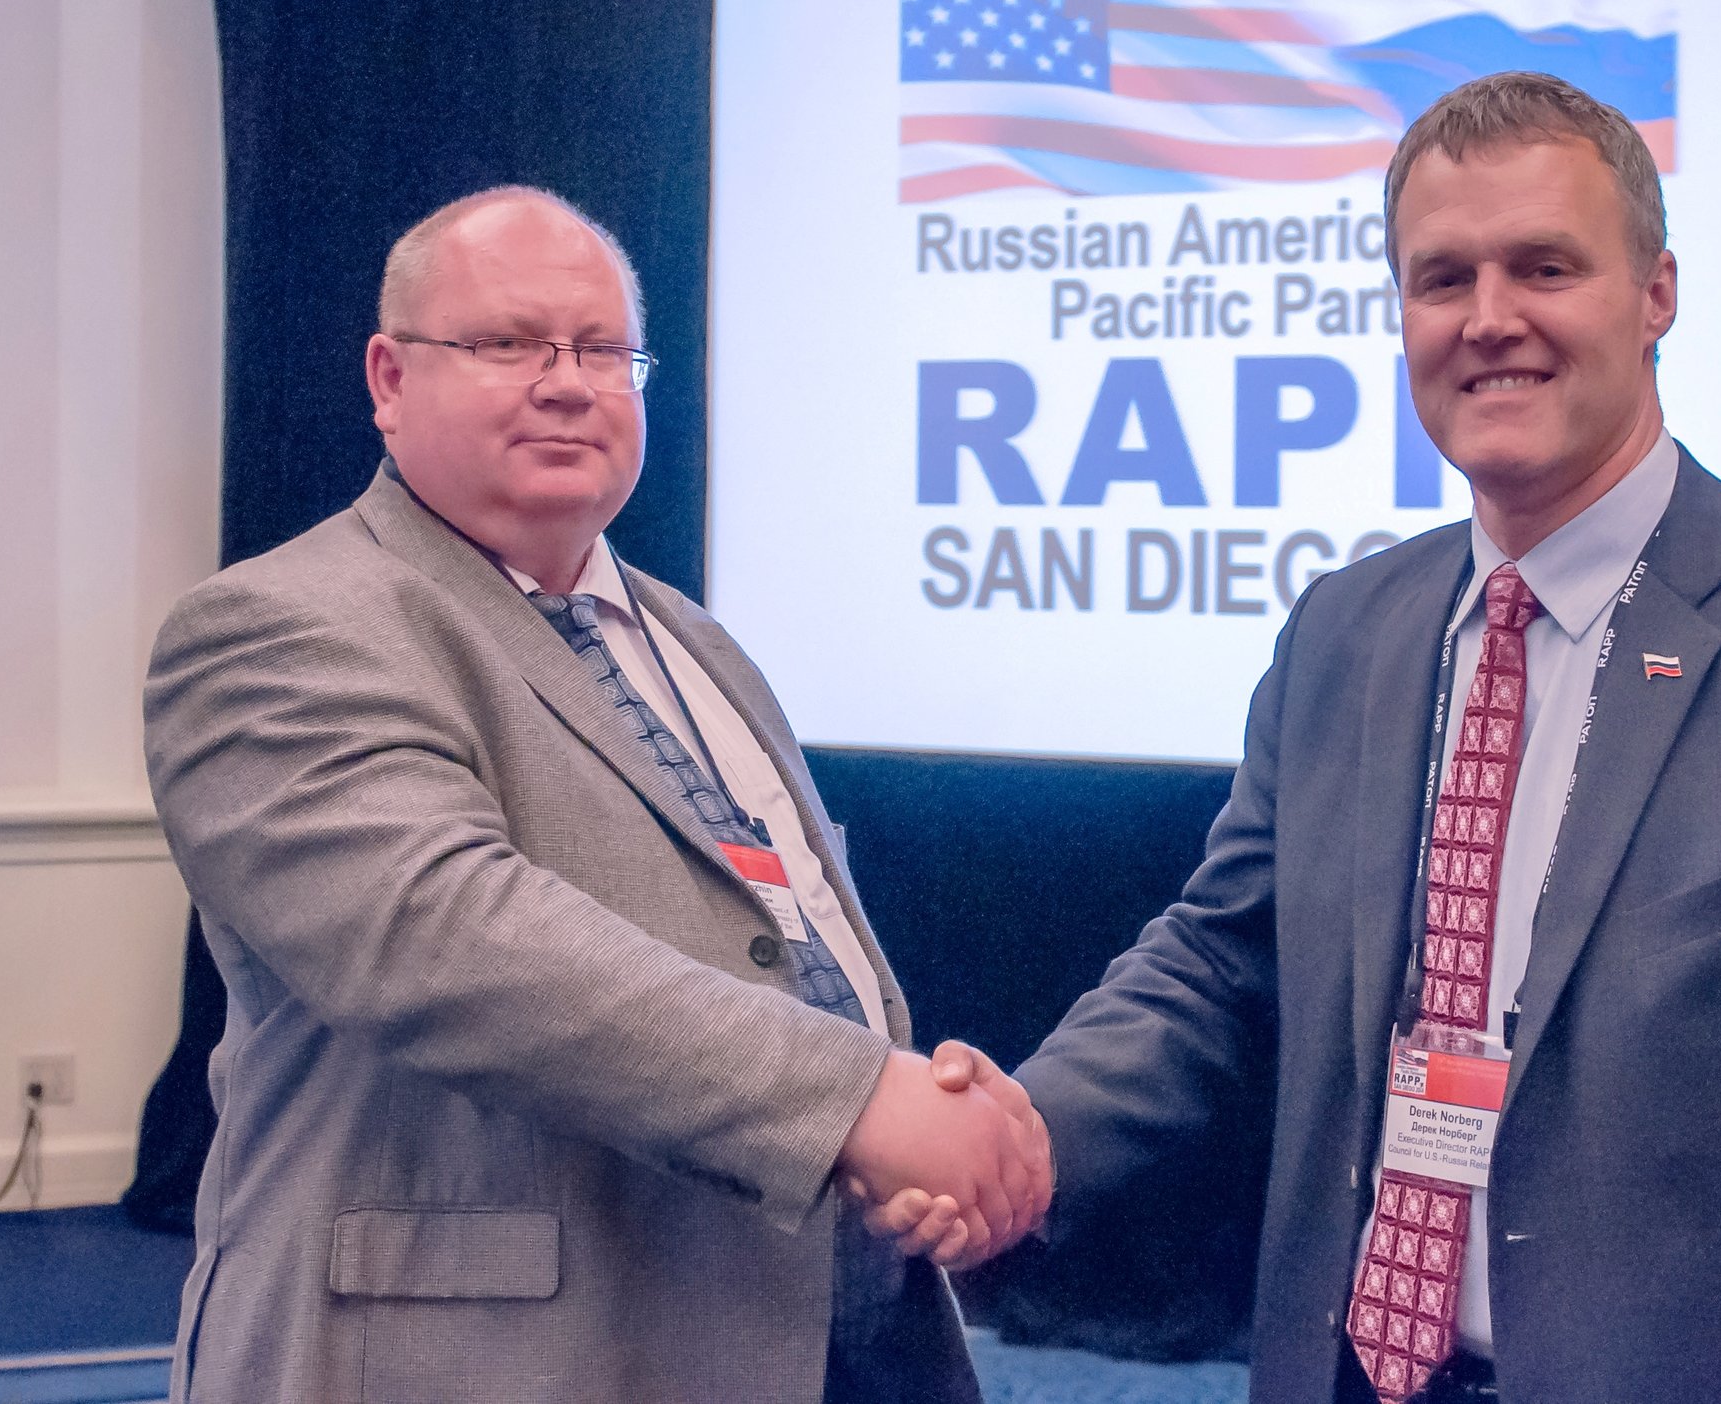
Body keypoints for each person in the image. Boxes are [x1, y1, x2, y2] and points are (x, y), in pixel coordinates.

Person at [922, 73, 1721, 1403]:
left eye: (1545, 267)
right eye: (1442, 278)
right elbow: (1218, 963)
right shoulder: (1344, 632)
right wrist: (1023, 1130)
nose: (1489, 321)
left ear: (1657, 293)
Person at [143, 186, 1046, 1404]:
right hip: (482, 1361)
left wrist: (913, 1136)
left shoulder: (695, 642)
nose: (566, 382)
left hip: (815, 1342)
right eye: (510, 343)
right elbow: (445, 937)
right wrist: (854, 1105)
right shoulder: (279, 627)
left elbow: (786, 946)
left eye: (602, 349)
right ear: (389, 377)